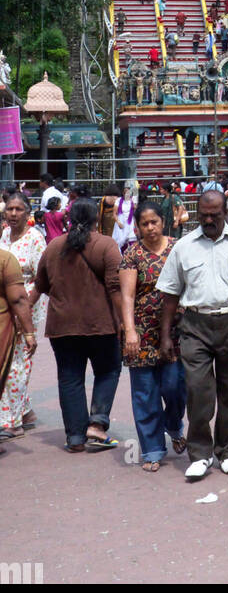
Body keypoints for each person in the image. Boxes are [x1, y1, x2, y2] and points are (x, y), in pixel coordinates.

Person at [157, 189, 228, 480]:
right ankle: (200, 454)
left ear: (226, 213)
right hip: (195, 325)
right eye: (203, 215)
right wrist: (165, 336)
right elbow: (170, 294)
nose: (209, 220)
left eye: (215, 215)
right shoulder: (184, 246)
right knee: (198, 390)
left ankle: (227, 451)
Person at [34, 199, 123, 452]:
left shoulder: (53, 246)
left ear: (68, 218)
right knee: (108, 371)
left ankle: (75, 437)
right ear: (96, 218)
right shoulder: (107, 245)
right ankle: (97, 423)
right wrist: (124, 322)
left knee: (70, 377)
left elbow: (42, 284)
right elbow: (115, 287)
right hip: (101, 323)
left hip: (62, 324)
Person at [119, 202, 187, 471]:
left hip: (176, 331)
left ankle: (173, 424)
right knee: (145, 392)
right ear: (138, 226)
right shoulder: (132, 255)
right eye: (144, 224)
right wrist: (129, 331)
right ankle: (152, 450)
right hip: (142, 333)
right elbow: (127, 296)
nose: (150, 228)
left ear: (163, 222)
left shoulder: (178, 248)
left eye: (154, 222)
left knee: (175, 387)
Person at [0, 192, 45, 438]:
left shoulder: (36, 239)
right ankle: (25, 410)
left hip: (26, 306)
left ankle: (10, 421)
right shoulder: (4, 235)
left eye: (18, 209)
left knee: (18, 364)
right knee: (6, 358)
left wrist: (25, 307)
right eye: (10, 209)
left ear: (28, 212)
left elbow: (42, 279)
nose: (14, 214)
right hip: (5, 308)